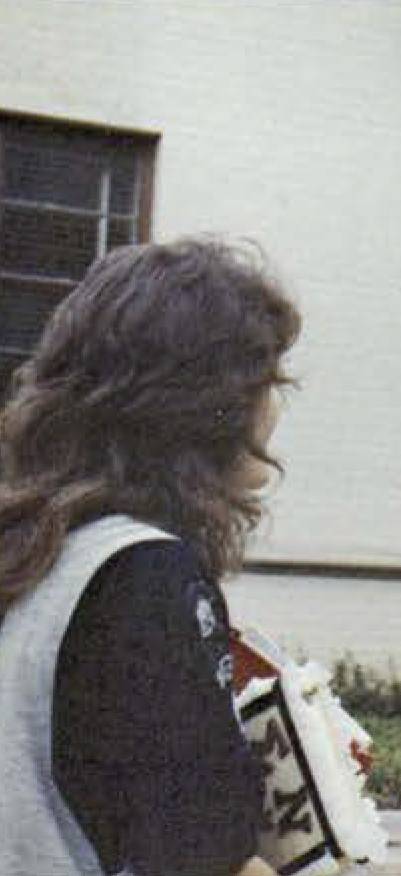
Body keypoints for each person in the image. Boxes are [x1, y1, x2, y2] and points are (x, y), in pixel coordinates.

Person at [0, 239, 302, 876]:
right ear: (203, 404)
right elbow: (207, 856)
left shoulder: (38, 552)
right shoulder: (146, 575)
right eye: (265, 383)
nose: (274, 409)